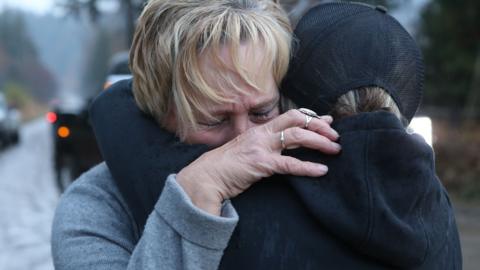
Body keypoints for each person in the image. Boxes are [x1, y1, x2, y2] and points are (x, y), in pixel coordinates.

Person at [52, 1, 462, 270]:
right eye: (213, 119)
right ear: (157, 109)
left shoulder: (320, 169)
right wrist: (199, 189)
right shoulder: (95, 209)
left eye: (262, 111)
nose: (246, 140)